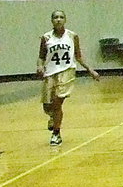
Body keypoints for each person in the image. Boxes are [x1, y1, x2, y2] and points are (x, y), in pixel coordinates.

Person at [38, 10, 101, 146]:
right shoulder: (46, 37)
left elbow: (78, 56)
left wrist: (90, 70)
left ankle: (56, 133)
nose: (58, 20)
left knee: (57, 103)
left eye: (61, 17)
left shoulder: (72, 36)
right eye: (55, 17)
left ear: (65, 20)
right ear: (52, 20)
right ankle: (52, 117)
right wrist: (40, 66)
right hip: (50, 72)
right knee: (47, 105)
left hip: (67, 71)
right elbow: (42, 56)